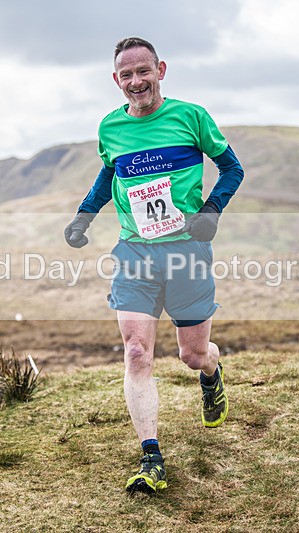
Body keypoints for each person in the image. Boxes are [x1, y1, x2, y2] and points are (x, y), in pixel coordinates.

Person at [65, 37, 244, 493]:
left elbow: (232, 168)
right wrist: (84, 216)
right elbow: (110, 173)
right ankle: (151, 457)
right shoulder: (110, 127)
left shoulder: (191, 117)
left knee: (191, 355)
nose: (136, 81)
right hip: (135, 252)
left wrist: (211, 211)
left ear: (160, 70)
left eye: (143, 71)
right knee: (136, 351)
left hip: (186, 251)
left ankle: (211, 373)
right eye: (126, 75)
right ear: (116, 80)